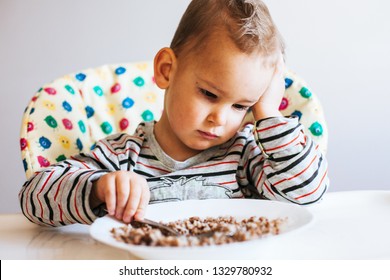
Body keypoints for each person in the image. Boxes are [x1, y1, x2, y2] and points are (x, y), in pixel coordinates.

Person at [19, 0, 328, 227]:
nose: (220, 119)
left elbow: (306, 195)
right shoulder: (123, 156)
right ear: (167, 70)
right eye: (209, 94)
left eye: (241, 106)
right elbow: (33, 199)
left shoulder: (245, 155)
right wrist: (100, 187)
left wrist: (268, 114)